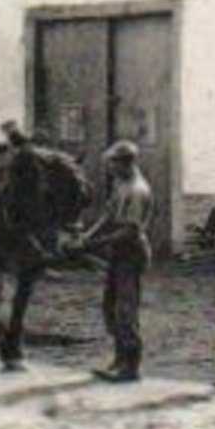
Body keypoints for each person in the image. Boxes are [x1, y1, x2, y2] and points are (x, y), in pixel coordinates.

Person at [71, 140, 153, 383]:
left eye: (112, 164)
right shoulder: (121, 183)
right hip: (118, 252)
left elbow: (129, 231)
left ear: (126, 163)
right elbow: (108, 215)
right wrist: (87, 235)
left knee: (125, 311)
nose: (110, 169)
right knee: (110, 307)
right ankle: (119, 360)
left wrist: (91, 244)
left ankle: (131, 367)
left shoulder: (137, 190)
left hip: (131, 252)